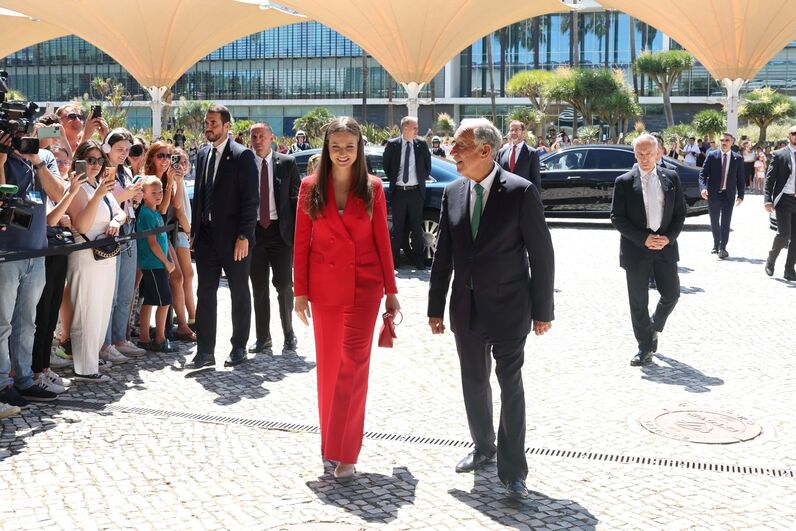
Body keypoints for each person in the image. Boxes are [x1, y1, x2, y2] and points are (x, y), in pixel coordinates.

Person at [427, 118, 555, 500]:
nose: (452, 152)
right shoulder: (452, 192)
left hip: (509, 308)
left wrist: (542, 311)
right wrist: (435, 307)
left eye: (460, 146)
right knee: (474, 382)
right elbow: (443, 258)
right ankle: (483, 447)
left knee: (510, 386)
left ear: (485, 150)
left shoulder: (520, 191)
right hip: (465, 310)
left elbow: (541, 255)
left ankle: (514, 472)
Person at [293, 116, 399, 481]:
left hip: (363, 288)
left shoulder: (373, 187)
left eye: (349, 147)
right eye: (336, 147)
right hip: (323, 290)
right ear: (326, 148)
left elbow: (383, 242)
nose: (342, 153)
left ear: (359, 150)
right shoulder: (309, 187)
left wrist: (391, 291)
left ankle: (346, 451)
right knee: (329, 368)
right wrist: (300, 293)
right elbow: (300, 244)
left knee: (353, 367)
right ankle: (330, 442)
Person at [188, 104, 258, 369]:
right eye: (207, 122)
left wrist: (244, 235)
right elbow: (200, 196)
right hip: (205, 237)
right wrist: (195, 232)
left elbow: (251, 201)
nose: (209, 127)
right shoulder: (203, 153)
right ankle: (204, 351)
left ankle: (239, 346)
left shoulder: (243, 156)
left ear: (227, 126)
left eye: (214, 123)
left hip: (234, 240)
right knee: (205, 292)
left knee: (239, 291)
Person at [610, 133, 687, 367]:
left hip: (665, 248)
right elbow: (617, 217)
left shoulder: (672, 178)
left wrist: (668, 238)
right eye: (639, 154)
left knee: (672, 294)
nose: (644, 158)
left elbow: (680, 213)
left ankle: (653, 327)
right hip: (636, 250)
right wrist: (644, 239)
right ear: (635, 154)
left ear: (658, 153)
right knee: (638, 302)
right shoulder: (623, 181)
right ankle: (644, 347)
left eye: (648, 154)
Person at [0, 132, 64, 407]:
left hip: (36, 253)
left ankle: (24, 379)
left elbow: (60, 193)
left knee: (27, 321)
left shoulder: (43, 158)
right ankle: (3, 383)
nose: (23, 137)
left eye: (28, 131)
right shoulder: (2, 159)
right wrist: (1, 159)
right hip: (8, 254)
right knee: (2, 323)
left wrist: (36, 159)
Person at [66, 140, 127, 383]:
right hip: (85, 256)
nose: (95, 165)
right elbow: (81, 224)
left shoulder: (99, 184)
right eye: (89, 160)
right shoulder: (78, 187)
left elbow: (119, 209)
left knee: (102, 308)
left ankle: (92, 357)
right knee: (86, 309)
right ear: (80, 161)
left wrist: (116, 221)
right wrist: (99, 194)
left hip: (106, 254)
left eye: (99, 160)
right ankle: (84, 366)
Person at [247, 122, 301, 354]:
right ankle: (263, 338)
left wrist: (299, 235)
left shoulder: (287, 163)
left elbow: (297, 199)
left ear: (272, 138)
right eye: (253, 137)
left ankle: (289, 332)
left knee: (284, 285)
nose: (257, 140)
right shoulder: (245, 165)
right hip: (255, 233)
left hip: (281, 233)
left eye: (262, 136)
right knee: (259, 288)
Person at [101, 128, 146, 364]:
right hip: (112, 232)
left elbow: (128, 202)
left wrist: (134, 197)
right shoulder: (102, 170)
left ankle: (119, 338)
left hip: (130, 228)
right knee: (111, 291)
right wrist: (126, 194)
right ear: (107, 148)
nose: (124, 154)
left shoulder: (126, 171)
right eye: (120, 149)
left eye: (127, 150)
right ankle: (105, 343)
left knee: (126, 290)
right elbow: (102, 200)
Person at [383, 116, 431, 269]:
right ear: (405, 129)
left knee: (416, 228)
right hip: (398, 193)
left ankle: (418, 261)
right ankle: (394, 262)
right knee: (397, 228)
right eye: (414, 127)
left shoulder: (421, 145)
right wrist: (395, 180)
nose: (417, 130)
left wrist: (419, 180)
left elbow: (427, 167)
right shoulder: (393, 145)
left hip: (416, 193)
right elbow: (387, 166)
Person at [136, 176, 177, 350]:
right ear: (144, 194)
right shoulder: (146, 214)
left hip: (155, 264)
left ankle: (144, 338)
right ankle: (160, 338)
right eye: (154, 193)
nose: (158, 195)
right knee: (165, 300)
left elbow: (162, 240)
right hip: (153, 264)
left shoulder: (154, 212)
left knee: (150, 300)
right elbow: (152, 243)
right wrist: (166, 262)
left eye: (160, 192)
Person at [698, 132, 745, 259]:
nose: (724, 142)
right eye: (722, 140)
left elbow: (741, 178)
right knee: (714, 221)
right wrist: (703, 189)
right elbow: (702, 174)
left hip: (728, 195)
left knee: (725, 221)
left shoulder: (738, 158)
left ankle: (723, 247)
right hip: (713, 194)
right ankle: (716, 244)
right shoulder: (712, 156)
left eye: (727, 140)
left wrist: (741, 195)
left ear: (732, 142)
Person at [763, 125, 796, 281]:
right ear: (788, 135)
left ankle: (789, 270)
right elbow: (769, 179)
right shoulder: (779, 154)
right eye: (794, 133)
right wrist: (767, 200)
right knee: (784, 234)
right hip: (784, 198)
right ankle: (771, 260)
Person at [497, 120, 542, 190]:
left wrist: (534, 199)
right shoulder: (501, 152)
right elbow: (498, 176)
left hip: (523, 197)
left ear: (523, 133)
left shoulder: (532, 153)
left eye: (516, 130)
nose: (513, 132)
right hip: (504, 198)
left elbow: (536, 180)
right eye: (511, 130)